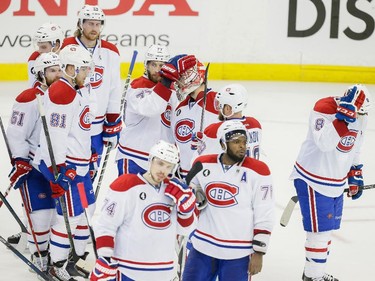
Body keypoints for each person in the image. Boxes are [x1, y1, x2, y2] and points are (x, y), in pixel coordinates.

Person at [289, 84, 371, 281]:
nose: (360, 117)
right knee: (320, 233)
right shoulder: (323, 108)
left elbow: (356, 146)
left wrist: (355, 173)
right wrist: (342, 118)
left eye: (363, 113)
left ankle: (313, 272)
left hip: (335, 180)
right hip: (312, 178)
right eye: (357, 112)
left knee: (327, 231)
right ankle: (313, 276)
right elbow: (325, 144)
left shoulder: (361, 115)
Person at [91, 140, 197, 281]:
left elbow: (185, 231)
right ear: (150, 160)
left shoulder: (175, 191)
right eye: (160, 163)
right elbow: (106, 225)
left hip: (164, 271)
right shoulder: (126, 185)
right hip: (128, 270)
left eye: (168, 166)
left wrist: (187, 211)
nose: (163, 171)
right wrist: (104, 257)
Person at [182, 120, 275, 281]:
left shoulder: (259, 171)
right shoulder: (202, 164)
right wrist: (195, 193)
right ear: (223, 144)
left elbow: (265, 212)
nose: (242, 146)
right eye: (236, 142)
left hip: (238, 252)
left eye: (244, 142)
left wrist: (259, 252)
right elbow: (189, 186)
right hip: (203, 246)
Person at [34, 44, 95, 281]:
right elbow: (54, 136)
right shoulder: (62, 92)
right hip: (65, 166)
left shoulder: (76, 89)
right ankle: (55, 264)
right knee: (67, 217)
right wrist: (58, 169)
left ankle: (71, 260)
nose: (87, 74)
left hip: (78, 165)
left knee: (83, 213)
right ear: (71, 68)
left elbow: (79, 129)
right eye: (84, 69)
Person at [7, 52, 62, 273]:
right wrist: (20, 160)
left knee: (58, 215)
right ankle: (40, 257)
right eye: (52, 71)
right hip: (34, 165)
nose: (57, 75)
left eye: (59, 69)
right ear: (41, 73)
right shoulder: (28, 98)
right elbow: (16, 134)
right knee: (40, 214)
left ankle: (56, 256)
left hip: (58, 166)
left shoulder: (67, 95)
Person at [62, 4, 122, 172]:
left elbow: (114, 89)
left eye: (98, 24)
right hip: (70, 125)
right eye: (90, 23)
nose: (94, 28)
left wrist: (112, 121)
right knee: (69, 172)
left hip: (97, 126)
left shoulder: (111, 51)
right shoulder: (66, 46)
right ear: (81, 24)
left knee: (91, 172)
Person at [116, 44, 178, 175]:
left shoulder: (172, 89)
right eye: (153, 65)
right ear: (146, 65)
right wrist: (166, 84)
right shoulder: (137, 87)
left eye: (162, 65)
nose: (157, 70)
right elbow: (152, 108)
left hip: (162, 160)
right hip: (134, 155)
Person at [159, 54, 219, 178]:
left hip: (208, 177)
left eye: (181, 77)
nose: (177, 82)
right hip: (183, 177)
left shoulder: (216, 101)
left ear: (192, 78)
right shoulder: (180, 108)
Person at [191, 83, 262, 160]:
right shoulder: (255, 124)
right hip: (251, 171)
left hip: (230, 172)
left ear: (228, 108)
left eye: (220, 104)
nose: (218, 108)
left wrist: (199, 146)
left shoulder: (214, 130)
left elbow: (199, 160)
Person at [28, 22, 64, 88]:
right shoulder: (35, 58)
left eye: (44, 47)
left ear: (56, 45)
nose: (40, 51)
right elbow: (35, 88)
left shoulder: (71, 57)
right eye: (39, 46)